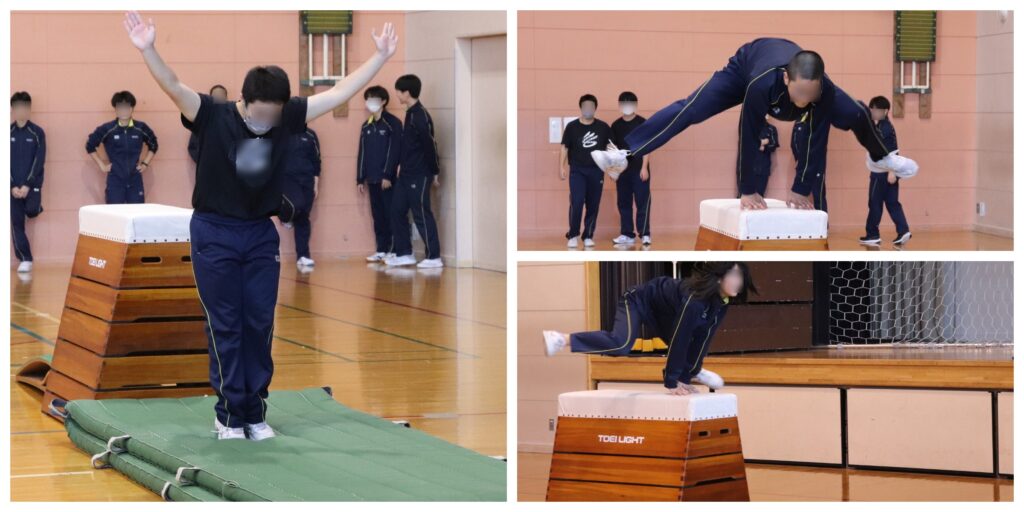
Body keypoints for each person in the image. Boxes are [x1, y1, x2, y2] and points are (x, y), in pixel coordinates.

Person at [122, 11, 398, 440]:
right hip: (214, 231)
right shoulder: (212, 115)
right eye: (259, 115)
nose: (265, 123)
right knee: (226, 324)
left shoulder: (287, 116)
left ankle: (255, 411)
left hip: (258, 234)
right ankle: (229, 414)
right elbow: (173, 86)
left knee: (259, 323)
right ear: (243, 101)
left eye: (273, 116)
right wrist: (148, 49)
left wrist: (379, 57)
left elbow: (339, 91)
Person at [590, 38, 917, 211]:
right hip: (744, 69)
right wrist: (747, 189)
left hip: (791, 74)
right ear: (787, 78)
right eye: (799, 93)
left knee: (857, 112)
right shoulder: (761, 86)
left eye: (811, 94)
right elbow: (748, 134)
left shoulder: (824, 91)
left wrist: (801, 187)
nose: (804, 101)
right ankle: (625, 153)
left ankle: (881, 157)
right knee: (690, 108)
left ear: (820, 84)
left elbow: (816, 140)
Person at [543, 262, 757, 395]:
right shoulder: (695, 301)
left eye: (741, 276)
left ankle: (693, 371)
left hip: (662, 312)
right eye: (734, 275)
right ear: (719, 278)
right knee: (621, 344)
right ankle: (561, 338)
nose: (738, 282)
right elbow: (680, 339)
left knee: (695, 338)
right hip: (638, 300)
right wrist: (671, 382)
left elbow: (703, 339)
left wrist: (686, 377)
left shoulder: (721, 304)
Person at [386, 74, 443, 268]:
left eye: (398, 91)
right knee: (396, 210)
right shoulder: (409, 113)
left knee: (421, 213)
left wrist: (435, 170)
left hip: (419, 174)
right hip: (406, 173)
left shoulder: (420, 115)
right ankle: (404, 253)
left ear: (407, 92)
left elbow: (430, 145)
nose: (396, 94)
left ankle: (434, 256)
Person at [85, 90, 158, 204]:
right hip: (115, 180)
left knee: (137, 212)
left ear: (132, 108)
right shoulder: (108, 129)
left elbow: (153, 144)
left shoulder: (140, 128)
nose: (123, 110)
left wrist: (145, 164)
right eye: (120, 107)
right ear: (115, 109)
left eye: (127, 107)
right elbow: (90, 145)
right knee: (114, 213)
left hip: (135, 180)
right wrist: (102, 166)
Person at [356, 85, 402, 262]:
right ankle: (381, 249)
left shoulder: (392, 123)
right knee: (377, 215)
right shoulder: (366, 126)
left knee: (391, 214)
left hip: (387, 180)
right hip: (372, 178)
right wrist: (360, 178)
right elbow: (362, 152)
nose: (370, 103)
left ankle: (395, 249)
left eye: (374, 99)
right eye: (368, 99)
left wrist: (387, 175)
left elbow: (395, 151)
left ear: (383, 101)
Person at [560, 94, 611, 249]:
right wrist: (561, 166)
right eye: (585, 106)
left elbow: (610, 148)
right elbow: (564, 147)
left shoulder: (603, 127)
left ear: (595, 108)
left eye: (591, 106)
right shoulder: (572, 127)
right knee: (577, 201)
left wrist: (612, 167)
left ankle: (588, 235)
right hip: (577, 170)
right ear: (581, 108)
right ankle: (573, 235)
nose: (588, 109)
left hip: (597, 170)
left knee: (593, 204)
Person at [861, 96, 912, 247]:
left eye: (876, 110)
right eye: (872, 109)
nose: (873, 112)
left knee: (875, 202)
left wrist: (891, 171)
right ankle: (903, 231)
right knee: (892, 202)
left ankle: (872, 234)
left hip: (882, 173)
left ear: (885, 111)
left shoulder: (884, 129)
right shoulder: (883, 126)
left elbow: (889, 152)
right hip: (890, 172)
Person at [610, 91, 652, 246]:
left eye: (630, 103)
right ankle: (627, 234)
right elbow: (613, 150)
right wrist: (614, 169)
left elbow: (647, 146)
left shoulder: (643, 123)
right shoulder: (615, 125)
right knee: (623, 203)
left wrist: (644, 167)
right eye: (624, 103)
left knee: (642, 202)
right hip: (622, 171)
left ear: (635, 105)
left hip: (639, 169)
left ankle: (645, 234)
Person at [10, 91, 46, 273]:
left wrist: (27, 184)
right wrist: (11, 186)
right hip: (12, 188)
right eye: (17, 107)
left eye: (24, 107)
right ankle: (25, 258)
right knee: (16, 222)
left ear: (29, 109)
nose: (21, 111)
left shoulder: (37, 133)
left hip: (32, 185)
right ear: (13, 109)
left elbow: (39, 160)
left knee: (31, 210)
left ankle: (35, 207)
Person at [279, 125, 321, 268]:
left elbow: (316, 160)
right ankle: (285, 217)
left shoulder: (311, 135)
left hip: (307, 180)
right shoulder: (281, 133)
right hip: (288, 179)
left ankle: (303, 256)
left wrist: (316, 183)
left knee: (303, 217)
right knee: (297, 204)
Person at [188, 84, 229, 164]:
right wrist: (205, 161)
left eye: (221, 95)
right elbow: (192, 147)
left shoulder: (234, 118)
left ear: (226, 98)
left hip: (229, 167)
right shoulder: (202, 119)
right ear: (210, 98)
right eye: (215, 96)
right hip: (208, 167)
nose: (218, 98)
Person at [750, 114, 778, 197]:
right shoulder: (749, 128)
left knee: (760, 194)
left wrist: (763, 147)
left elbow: (774, 145)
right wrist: (763, 142)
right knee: (747, 194)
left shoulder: (771, 129)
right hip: (749, 166)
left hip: (763, 166)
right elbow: (746, 144)